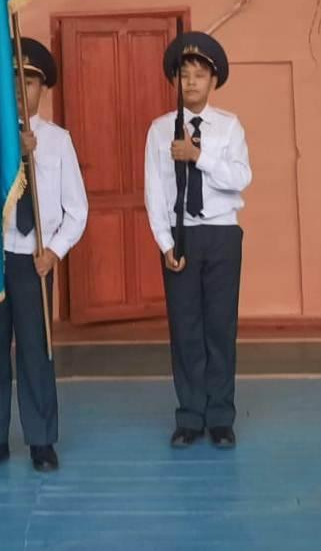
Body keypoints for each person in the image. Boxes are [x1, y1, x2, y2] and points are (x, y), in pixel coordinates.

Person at [0, 37, 88, 473]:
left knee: (36, 351)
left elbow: (77, 209)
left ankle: (41, 439)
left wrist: (54, 251)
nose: (21, 90)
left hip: (34, 260)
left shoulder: (57, 141)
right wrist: (10, 156)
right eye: (14, 81)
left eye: (31, 81)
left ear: (44, 88)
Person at [144, 31, 251, 449]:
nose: (191, 82)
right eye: (184, 75)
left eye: (199, 75)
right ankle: (190, 415)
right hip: (182, 234)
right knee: (185, 327)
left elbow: (241, 177)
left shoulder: (229, 126)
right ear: (175, 80)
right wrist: (165, 242)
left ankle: (221, 416)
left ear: (213, 81)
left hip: (222, 233)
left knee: (220, 327)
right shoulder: (159, 130)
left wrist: (198, 156)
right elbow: (154, 191)